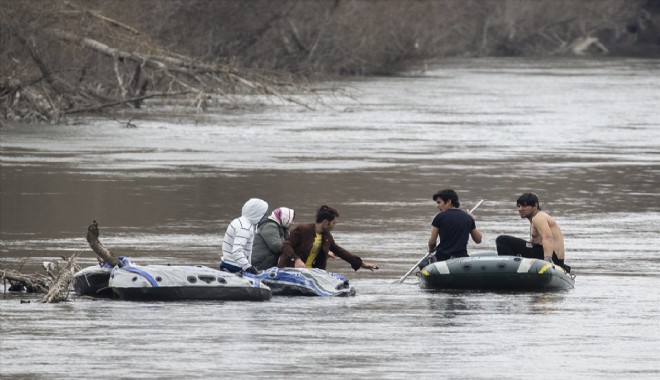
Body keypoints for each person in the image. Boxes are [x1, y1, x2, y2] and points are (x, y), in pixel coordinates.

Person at [277, 205, 379, 272]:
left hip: (312, 273)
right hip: (290, 270)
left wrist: (361, 264)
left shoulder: (326, 236)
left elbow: (339, 251)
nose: (334, 226)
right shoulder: (302, 229)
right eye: (334, 223)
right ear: (326, 222)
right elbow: (285, 245)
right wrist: (297, 260)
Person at [495, 192, 570, 272]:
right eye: (519, 206)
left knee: (502, 240)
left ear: (535, 206)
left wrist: (547, 262)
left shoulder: (538, 218)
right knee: (514, 245)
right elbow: (534, 242)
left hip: (552, 257)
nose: (520, 209)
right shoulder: (538, 217)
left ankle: (507, 271)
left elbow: (548, 238)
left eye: (524, 206)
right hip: (557, 259)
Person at [423, 189, 482, 268]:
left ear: (449, 202)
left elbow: (432, 241)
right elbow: (478, 240)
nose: (437, 206)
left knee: (423, 265)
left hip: (442, 259)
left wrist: (431, 249)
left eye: (439, 202)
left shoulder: (439, 217)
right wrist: (471, 220)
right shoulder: (467, 217)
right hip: (462, 259)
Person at [220, 198, 269, 275]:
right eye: (264, 214)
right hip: (235, 266)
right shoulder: (245, 228)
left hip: (227, 261)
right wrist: (249, 268)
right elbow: (237, 251)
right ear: (257, 213)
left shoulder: (238, 221)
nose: (265, 216)